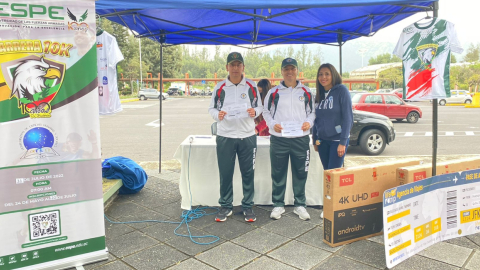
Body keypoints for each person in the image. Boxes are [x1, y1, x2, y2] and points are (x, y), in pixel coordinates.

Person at [208, 52, 262, 222]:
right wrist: (219, 115)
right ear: (227, 67)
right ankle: (225, 206)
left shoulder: (251, 86)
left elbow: (259, 107)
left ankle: (247, 206)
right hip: (225, 135)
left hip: (247, 136)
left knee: (248, 173)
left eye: (239, 65)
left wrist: (255, 112)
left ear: (243, 67)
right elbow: (211, 109)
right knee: (226, 173)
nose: (236, 68)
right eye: (232, 65)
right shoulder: (220, 87)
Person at [263, 58, 315, 220]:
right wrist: (273, 124)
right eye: (286, 69)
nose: (289, 72)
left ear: (297, 71)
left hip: (301, 139)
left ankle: (300, 204)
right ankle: (278, 205)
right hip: (279, 139)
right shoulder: (273, 92)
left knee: (301, 172)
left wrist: (309, 122)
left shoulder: (306, 92)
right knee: (278, 173)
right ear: (282, 72)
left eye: (292, 69)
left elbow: (312, 112)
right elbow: (265, 112)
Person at [312, 63, 353, 218]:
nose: (323, 77)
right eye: (320, 74)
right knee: (327, 173)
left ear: (333, 74)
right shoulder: (320, 94)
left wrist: (343, 141)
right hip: (322, 141)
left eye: (327, 74)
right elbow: (316, 119)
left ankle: (332, 207)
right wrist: (315, 139)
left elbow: (348, 117)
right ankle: (331, 204)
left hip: (337, 141)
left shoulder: (341, 91)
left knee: (333, 175)